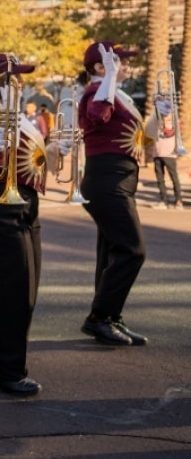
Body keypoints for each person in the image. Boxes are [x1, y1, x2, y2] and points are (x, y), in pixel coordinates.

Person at [0, 53, 64, 398]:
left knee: (26, 291)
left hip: (24, 208)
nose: (19, 83)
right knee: (14, 293)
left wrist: (54, 150)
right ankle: (5, 371)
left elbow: (31, 166)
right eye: (12, 78)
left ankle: (8, 366)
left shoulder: (21, 117)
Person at [77, 41, 158, 347]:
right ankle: (99, 318)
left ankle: (109, 317)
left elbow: (142, 139)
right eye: (119, 62)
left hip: (119, 177)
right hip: (107, 179)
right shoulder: (94, 92)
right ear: (100, 68)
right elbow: (98, 116)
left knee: (111, 253)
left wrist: (158, 116)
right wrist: (109, 78)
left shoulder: (117, 93)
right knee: (132, 250)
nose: (126, 66)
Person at [150, 107, 184, 209]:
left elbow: (169, 132)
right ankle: (163, 201)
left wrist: (165, 122)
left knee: (174, 178)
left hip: (169, 154)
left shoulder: (175, 122)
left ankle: (178, 201)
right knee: (160, 179)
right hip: (157, 154)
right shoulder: (155, 122)